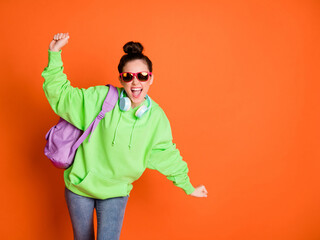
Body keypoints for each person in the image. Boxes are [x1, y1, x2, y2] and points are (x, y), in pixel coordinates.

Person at [41, 32, 208, 240]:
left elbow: (166, 154)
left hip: (115, 193)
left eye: (142, 75)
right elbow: (63, 96)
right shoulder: (101, 98)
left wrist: (187, 185)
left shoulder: (156, 118)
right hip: (79, 187)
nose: (135, 82)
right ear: (121, 78)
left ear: (151, 77)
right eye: (128, 76)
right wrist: (54, 53)